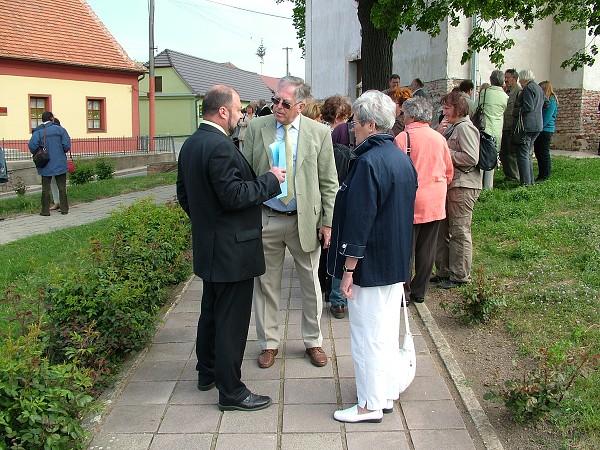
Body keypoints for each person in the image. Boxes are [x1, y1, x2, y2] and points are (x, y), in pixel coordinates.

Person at [176, 85, 285, 412]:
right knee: (231, 322)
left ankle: (206, 372)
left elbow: (185, 195)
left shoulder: (192, 144)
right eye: (238, 110)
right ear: (222, 111)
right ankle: (232, 391)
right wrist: (270, 180)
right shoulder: (220, 147)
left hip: (211, 247)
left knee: (210, 313)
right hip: (232, 251)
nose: (241, 116)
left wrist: (208, 226)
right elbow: (235, 196)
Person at [328, 90, 417, 423]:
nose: (352, 128)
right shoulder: (400, 157)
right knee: (383, 333)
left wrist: (348, 269)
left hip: (371, 263)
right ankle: (385, 394)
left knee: (366, 336)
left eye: (354, 122)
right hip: (394, 261)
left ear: (369, 123)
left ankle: (369, 404)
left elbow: (360, 219)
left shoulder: (367, 162)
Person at [242, 76, 339, 369]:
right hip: (268, 217)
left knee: (310, 283)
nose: (277, 107)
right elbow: (244, 175)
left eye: (285, 102)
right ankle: (269, 343)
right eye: (274, 99)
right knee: (266, 285)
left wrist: (328, 223)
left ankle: (313, 341)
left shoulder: (319, 133)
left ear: (301, 105)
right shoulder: (257, 128)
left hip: (304, 220)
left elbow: (328, 182)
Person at [394, 97, 453, 304]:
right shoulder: (439, 138)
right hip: (435, 201)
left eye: (404, 113)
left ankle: (405, 292)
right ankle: (420, 291)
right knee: (427, 248)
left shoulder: (403, 138)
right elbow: (449, 171)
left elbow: (397, 172)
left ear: (410, 115)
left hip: (411, 201)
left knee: (406, 249)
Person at [433, 91, 481, 289]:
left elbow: (471, 157)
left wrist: (446, 151)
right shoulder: (452, 127)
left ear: (459, 109)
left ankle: (460, 275)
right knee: (443, 229)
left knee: (459, 230)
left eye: (447, 108)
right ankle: (443, 270)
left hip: (463, 186)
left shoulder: (465, 128)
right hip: (452, 185)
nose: (443, 112)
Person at [319, 95, 352, 319]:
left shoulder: (314, 132)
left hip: (320, 198)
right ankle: (337, 297)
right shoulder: (345, 138)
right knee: (339, 245)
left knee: (323, 245)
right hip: (341, 195)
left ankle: (323, 285)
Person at [28, 111, 71, 216]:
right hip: (60, 161)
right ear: (52, 118)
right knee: (62, 187)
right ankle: (64, 209)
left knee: (45, 189)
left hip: (45, 162)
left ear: (42, 120)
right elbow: (66, 146)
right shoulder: (61, 129)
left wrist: (40, 150)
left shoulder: (38, 131)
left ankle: (45, 211)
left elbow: (32, 146)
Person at [512, 69, 546, 186]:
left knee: (523, 155)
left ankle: (526, 182)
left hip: (527, 126)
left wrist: (515, 110)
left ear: (524, 78)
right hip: (537, 125)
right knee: (527, 154)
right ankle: (530, 181)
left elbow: (528, 107)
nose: (519, 82)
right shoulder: (539, 88)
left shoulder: (528, 88)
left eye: (520, 79)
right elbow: (546, 103)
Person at [477, 70, 508, 189]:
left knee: (481, 156)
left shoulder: (485, 92)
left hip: (484, 128)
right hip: (497, 129)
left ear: (491, 80)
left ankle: (478, 185)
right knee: (492, 156)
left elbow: (475, 108)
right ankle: (488, 187)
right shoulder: (505, 96)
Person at [533, 81, 558, 182]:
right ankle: (541, 174)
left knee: (543, 153)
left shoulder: (552, 100)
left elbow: (546, 117)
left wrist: (539, 127)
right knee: (538, 152)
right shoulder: (545, 100)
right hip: (541, 129)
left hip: (546, 130)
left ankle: (545, 175)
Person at [500, 69, 522, 181]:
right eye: (505, 77)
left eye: (508, 77)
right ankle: (508, 174)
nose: (506, 80)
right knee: (504, 153)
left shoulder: (518, 92)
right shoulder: (506, 92)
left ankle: (514, 176)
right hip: (504, 126)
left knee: (511, 153)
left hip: (512, 127)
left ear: (514, 78)